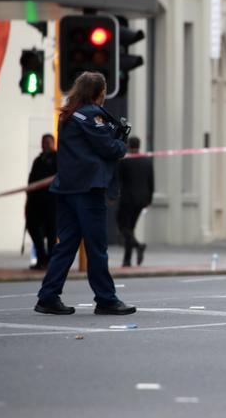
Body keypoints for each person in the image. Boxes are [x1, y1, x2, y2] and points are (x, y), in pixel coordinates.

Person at [35, 72, 136, 316]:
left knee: (66, 245)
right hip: (87, 190)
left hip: (66, 188)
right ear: (98, 93)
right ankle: (106, 299)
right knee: (96, 247)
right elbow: (109, 148)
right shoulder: (92, 114)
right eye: (103, 92)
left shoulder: (68, 114)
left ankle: (48, 296)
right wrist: (122, 143)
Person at [117, 136, 154, 267]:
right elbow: (151, 182)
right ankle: (127, 260)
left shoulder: (124, 161)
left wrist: (112, 195)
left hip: (127, 199)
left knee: (122, 226)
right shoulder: (147, 161)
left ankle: (138, 246)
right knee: (130, 228)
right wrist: (149, 199)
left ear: (128, 146)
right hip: (142, 200)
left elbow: (118, 180)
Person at [25, 133, 57, 270]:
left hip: (52, 201)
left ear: (53, 143)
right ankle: (41, 257)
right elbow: (32, 180)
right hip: (35, 202)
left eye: (48, 142)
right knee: (33, 228)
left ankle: (51, 260)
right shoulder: (38, 160)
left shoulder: (58, 158)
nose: (45, 145)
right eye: (43, 142)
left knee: (51, 232)